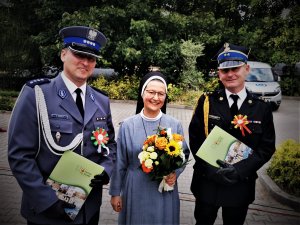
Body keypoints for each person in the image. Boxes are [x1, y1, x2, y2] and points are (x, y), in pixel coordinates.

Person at [7, 26, 117, 225]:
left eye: (91, 58)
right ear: (63, 54)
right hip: (47, 211)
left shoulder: (101, 100)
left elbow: (111, 146)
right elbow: (19, 155)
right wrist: (47, 201)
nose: (85, 62)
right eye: (79, 54)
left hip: (88, 209)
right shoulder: (37, 94)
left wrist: (106, 171)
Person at [189, 43, 276, 225]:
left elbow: (266, 148)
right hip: (208, 182)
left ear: (246, 69)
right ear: (219, 73)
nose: (230, 74)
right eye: (224, 70)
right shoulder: (207, 102)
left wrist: (239, 170)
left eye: (235, 68)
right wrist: (211, 169)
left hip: (240, 184)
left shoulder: (261, 108)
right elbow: (195, 139)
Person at [109, 71, 190, 225]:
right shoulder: (128, 125)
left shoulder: (174, 124)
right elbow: (119, 162)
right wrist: (115, 193)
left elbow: (184, 154)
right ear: (142, 93)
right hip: (135, 187)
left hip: (164, 188)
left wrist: (175, 172)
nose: (156, 97)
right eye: (151, 92)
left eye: (161, 93)